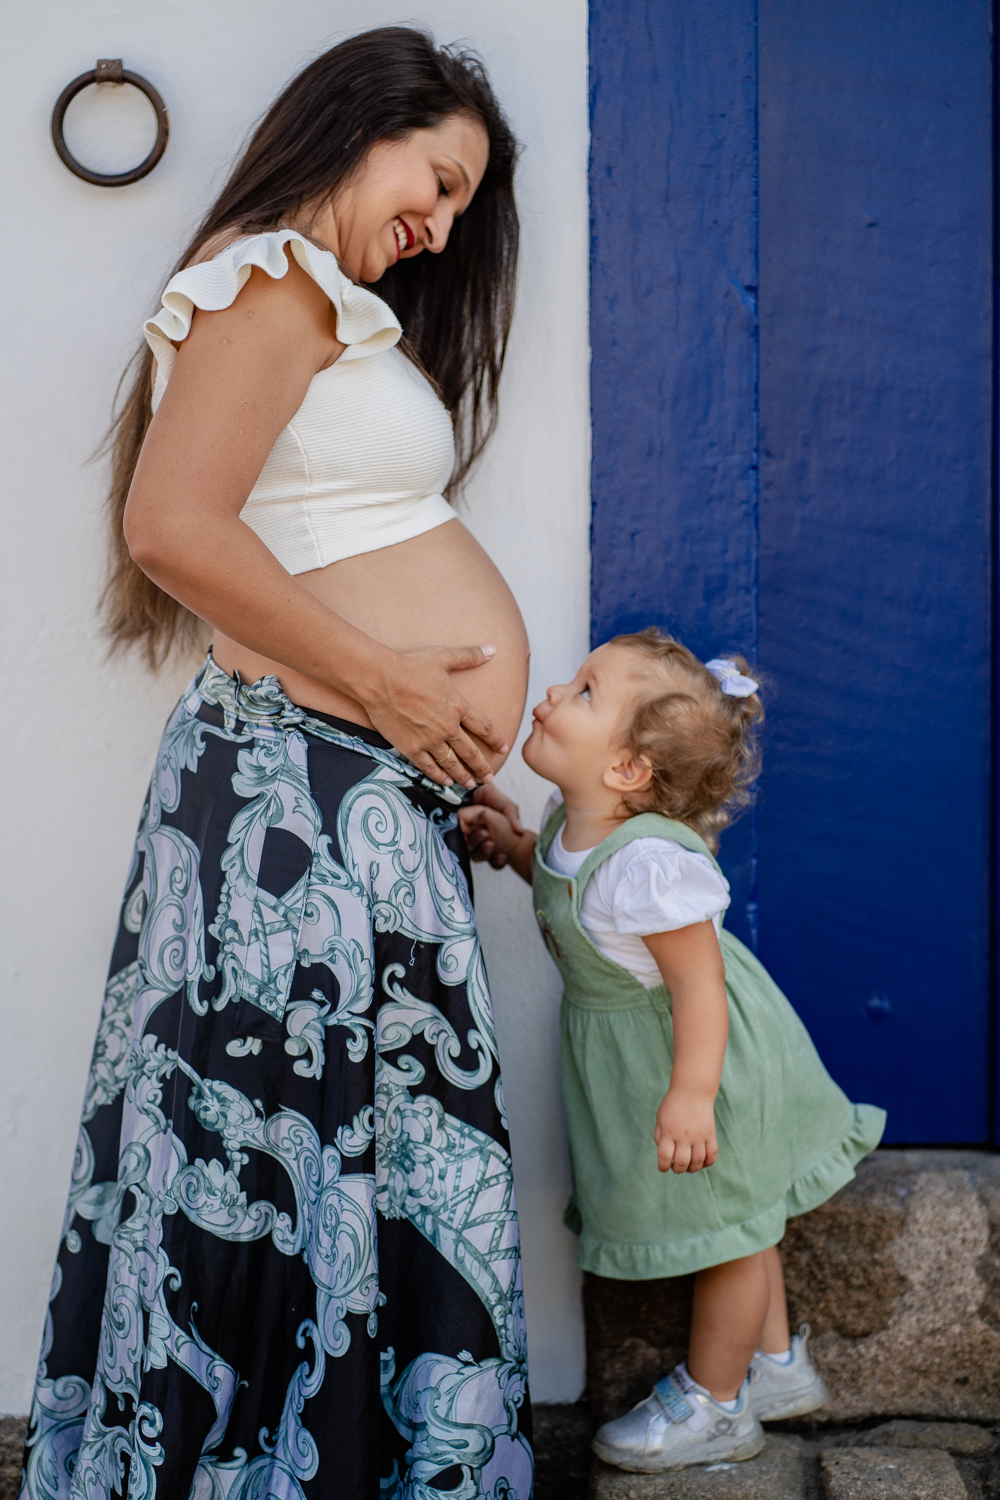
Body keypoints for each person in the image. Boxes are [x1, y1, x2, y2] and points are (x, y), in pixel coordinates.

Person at [21, 29, 533, 1500]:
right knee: (269, 1179)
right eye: (439, 180)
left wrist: (433, 752)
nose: (442, 226)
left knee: (341, 1183)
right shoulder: (270, 278)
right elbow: (173, 527)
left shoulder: (320, 304)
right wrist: (390, 684)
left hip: (345, 796)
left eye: (463, 205)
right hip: (289, 810)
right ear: (362, 125)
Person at [460, 628, 885, 1472]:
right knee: (739, 1214)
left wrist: (692, 1094)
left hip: (705, 1059)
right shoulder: (576, 823)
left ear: (627, 769)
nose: (553, 693)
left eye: (584, 692)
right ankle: (774, 1366)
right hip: (654, 1058)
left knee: (727, 1230)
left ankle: (716, 1406)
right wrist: (513, 848)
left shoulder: (648, 864)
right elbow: (568, 884)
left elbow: (698, 985)